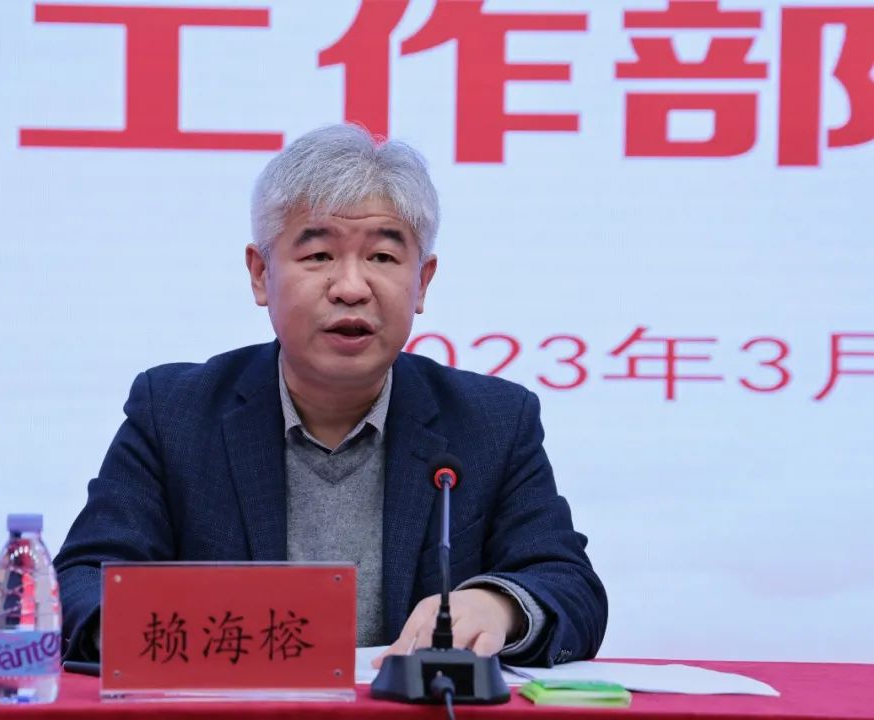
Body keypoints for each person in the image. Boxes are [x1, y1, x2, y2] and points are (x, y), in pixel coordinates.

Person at [53, 124, 607, 667]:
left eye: (383, 257)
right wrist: (189, 632)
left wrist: (498, 605)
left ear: (423, 282)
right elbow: (79, 585)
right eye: (318, 255)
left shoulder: (491, 421)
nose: (350, 287)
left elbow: (569, 586)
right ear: (260, 274)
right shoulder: (176, 412)